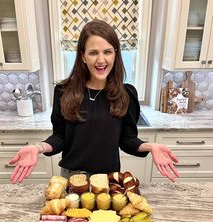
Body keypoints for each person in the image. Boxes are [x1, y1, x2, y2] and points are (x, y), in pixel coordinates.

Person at [9, 19, 179, 184]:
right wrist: (37, 148)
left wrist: (151, 147)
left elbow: (128, 140)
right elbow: (60, 137)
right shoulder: (63, 91)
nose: (100, 60)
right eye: (93, 53)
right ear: (83, 56)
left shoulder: (126, 93)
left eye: (107, 51)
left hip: (108, 180)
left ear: (116, 53)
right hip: (71, 178)